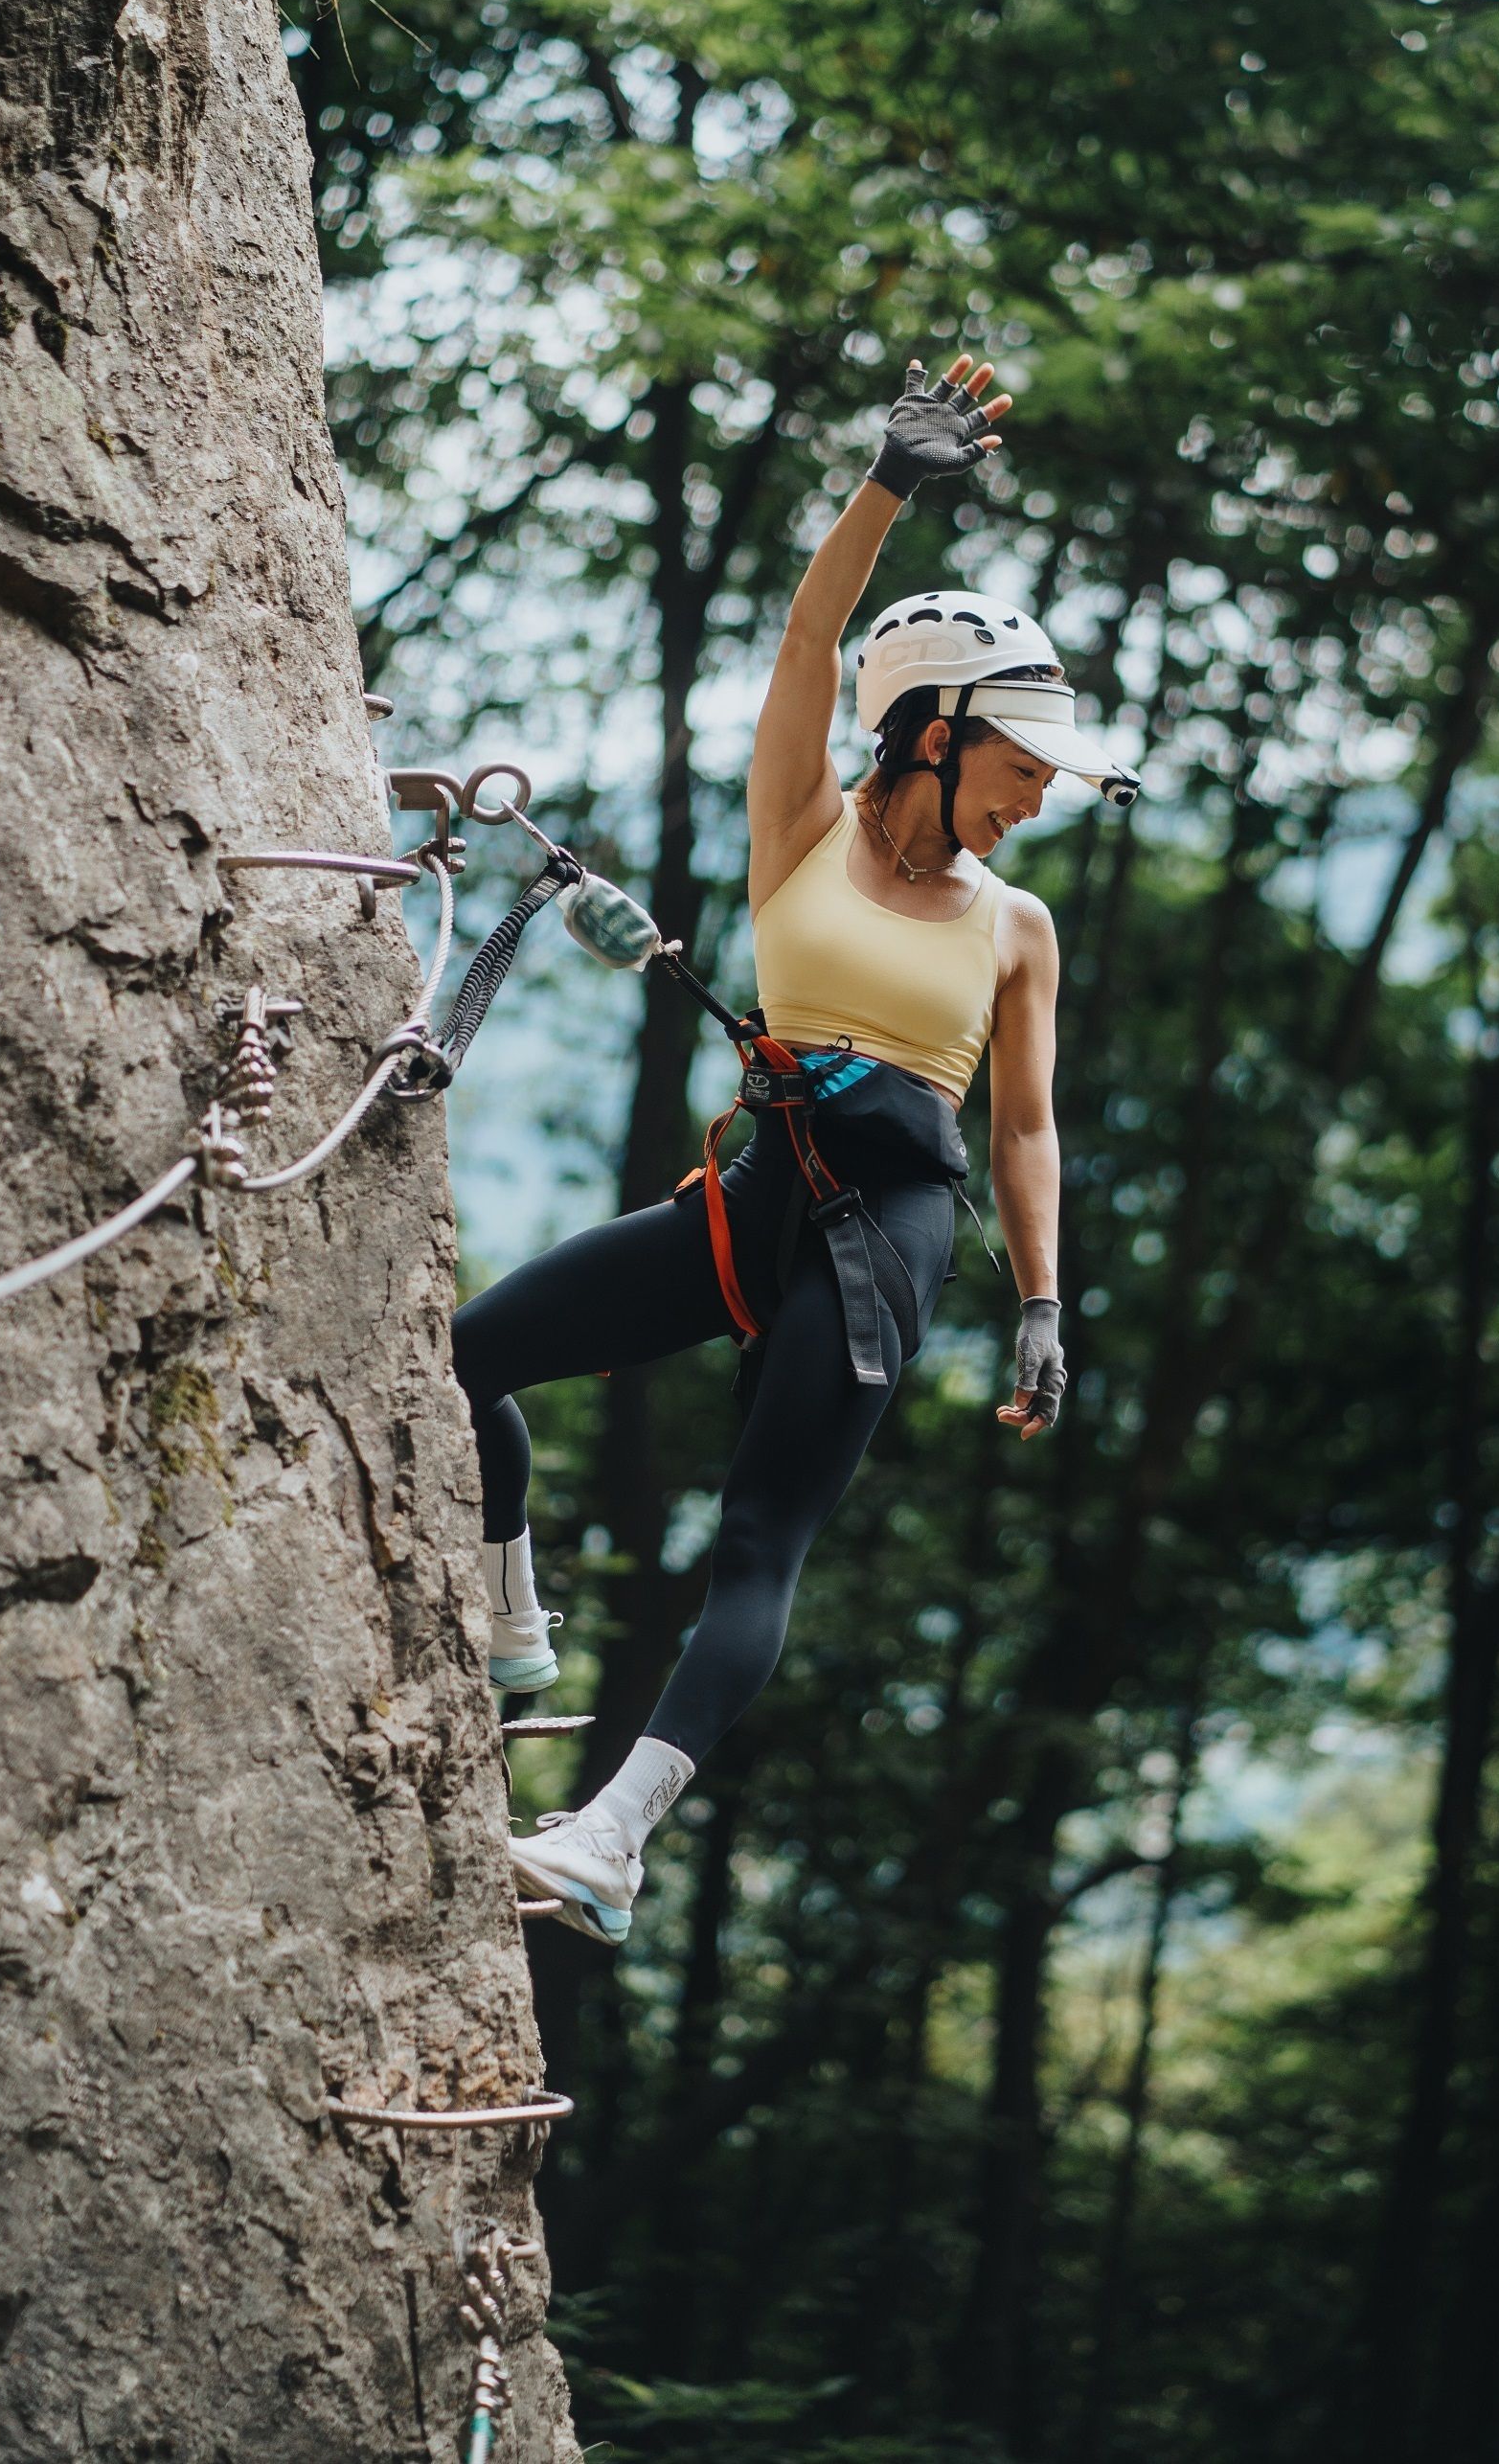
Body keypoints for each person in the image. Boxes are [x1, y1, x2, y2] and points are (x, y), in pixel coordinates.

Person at [451, 355, 1141, 1942]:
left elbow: (1023, 1126)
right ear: (934, 733)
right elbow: (809, 640)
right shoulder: (804, 828)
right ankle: (510, 1618)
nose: (1037, 801)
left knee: (759, 1540)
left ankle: (611, 1839)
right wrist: (886, 484)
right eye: (1021, 765)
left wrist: (1043, 1305)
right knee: (463, 1359)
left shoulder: (1018, 928)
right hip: (750, 1193)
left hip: (883, 1238)